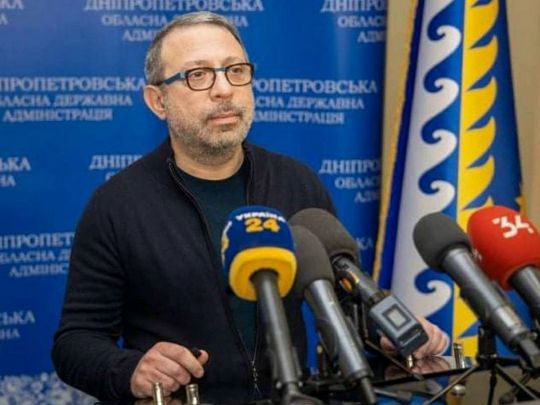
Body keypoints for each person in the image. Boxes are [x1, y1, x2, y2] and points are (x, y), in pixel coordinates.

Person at [52, 11, 447, 404]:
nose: (224, 89)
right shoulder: (117, 205)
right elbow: (76, 342)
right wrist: (132, 370)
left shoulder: (298, 184)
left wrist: (386, 337)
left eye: (235, 70)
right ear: (158, 101)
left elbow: (345, 310)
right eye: (198, 75)